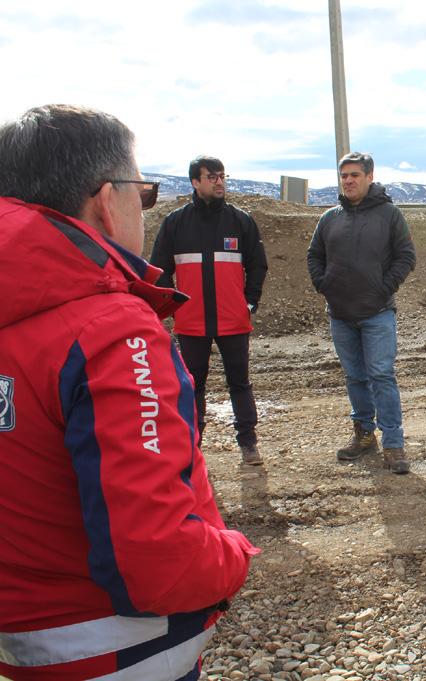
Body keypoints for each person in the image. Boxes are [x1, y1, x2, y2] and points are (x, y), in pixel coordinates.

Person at [0, 105, 257, 680]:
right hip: (121, 648)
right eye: (143, 194)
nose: (146, 209)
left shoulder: (17, 306)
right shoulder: (110, 329)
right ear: (104, 201)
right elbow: (160, 559)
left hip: (27, 640)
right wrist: (233, 555)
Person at [150, 156, 268, 465]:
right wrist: (174, 306)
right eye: (212, 177)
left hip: (234, 320)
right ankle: (193, 445)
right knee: (193, 385)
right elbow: (159, 268)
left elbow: (258, 265)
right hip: (191, 322)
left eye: (222, 176)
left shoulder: (240, 221)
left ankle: (248, 443)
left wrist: (249, 302)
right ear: (195, 182)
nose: (219, 182)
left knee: (239, 383)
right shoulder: (176, 223)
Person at [307, 152, 416, 474]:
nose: (348, 181)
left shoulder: (389, 215)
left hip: (377, 312)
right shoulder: (330, 218)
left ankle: (393, 443)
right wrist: (324, 284)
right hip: (340, 314)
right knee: (355, 376)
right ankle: (364, 435)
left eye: (355, 175)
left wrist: (384, 287)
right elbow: (314, 255)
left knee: (381, 375)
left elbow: (406, 257)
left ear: (369, 176)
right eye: (344, 176)